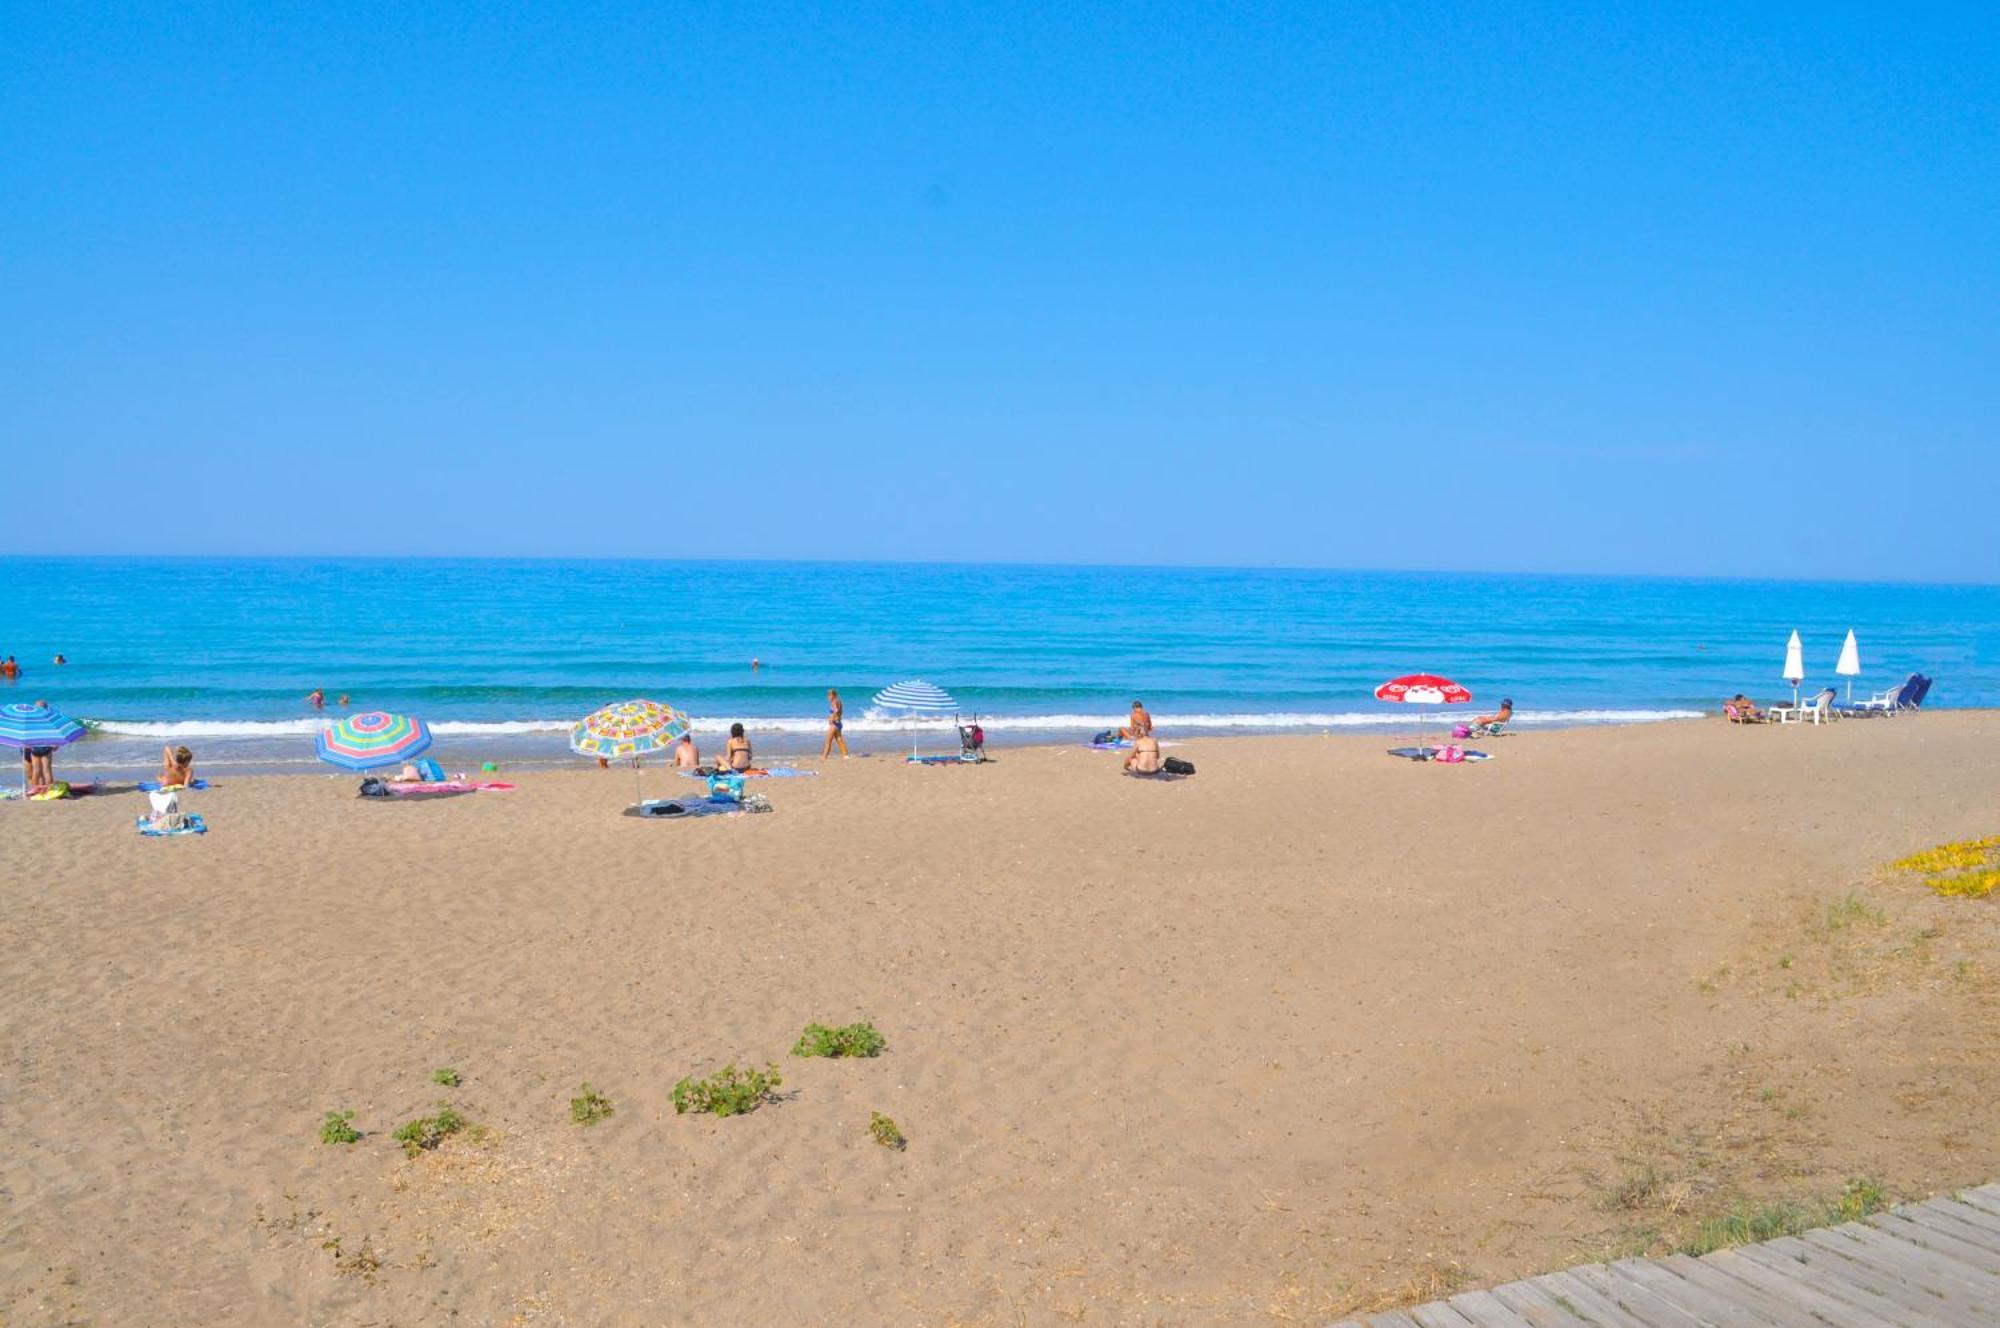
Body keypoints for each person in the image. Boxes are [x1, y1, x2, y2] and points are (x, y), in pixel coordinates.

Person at [822, 688, 849, 759]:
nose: (828, 697)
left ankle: (824, 756)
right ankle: (845, 755)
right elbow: (839, 711)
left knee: (828, 740)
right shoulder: (838, 701)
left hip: (834, 724)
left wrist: (831, 719)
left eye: (829, 695)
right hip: (839, 723)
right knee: (839, 739)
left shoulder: (834, 702)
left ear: (833, 695)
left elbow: (836, 711)